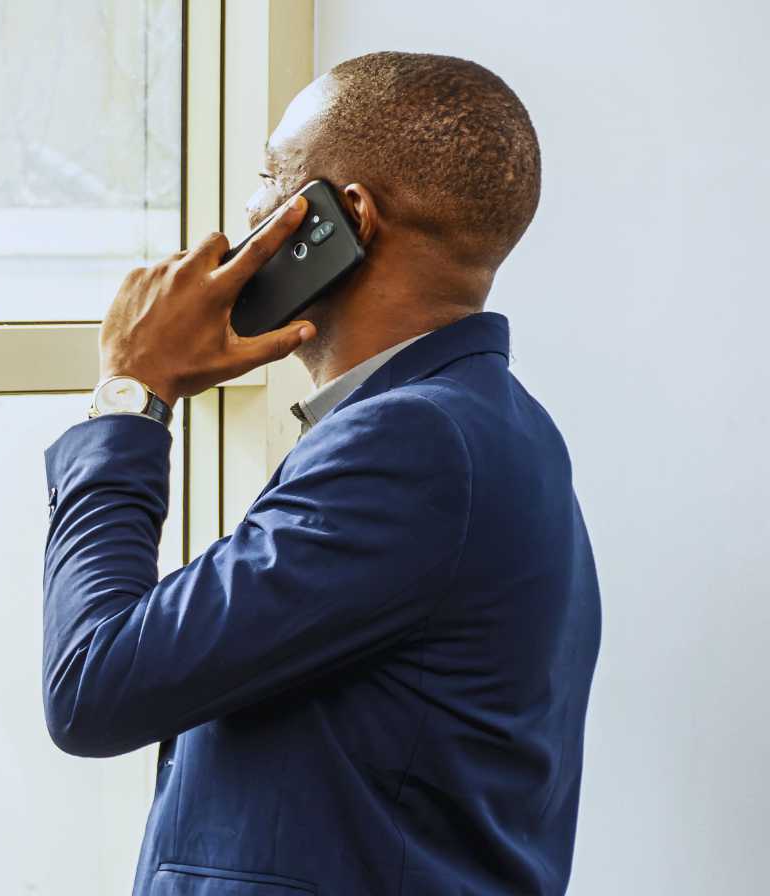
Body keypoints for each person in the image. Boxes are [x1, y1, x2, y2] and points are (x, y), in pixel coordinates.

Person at [41, 51, 599, 895]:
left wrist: (133, 394)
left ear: (343, 218)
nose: (241, 222)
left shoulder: (415, 447)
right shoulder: (487, 426)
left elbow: (94, 684)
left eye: (269, 180)